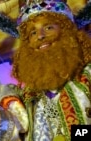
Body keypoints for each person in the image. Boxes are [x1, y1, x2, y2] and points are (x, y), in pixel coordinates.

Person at [12, 0, 91, 140]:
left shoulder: (88, 77)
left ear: (66, 31)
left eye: (48, 28)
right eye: (33, 32)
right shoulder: (28, 96)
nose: (40, 36)